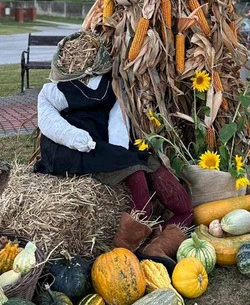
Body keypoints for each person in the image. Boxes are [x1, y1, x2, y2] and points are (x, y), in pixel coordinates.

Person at [34, 31, 192, 228]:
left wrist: (118, 148)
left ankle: (182, 214)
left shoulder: (111, 84)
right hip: (69, 147)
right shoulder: (54, 91)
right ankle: (138, 225)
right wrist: (75, 138)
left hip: (102, 141)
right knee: (133, 168)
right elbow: (48, 120)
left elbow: (118, 118)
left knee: (146, 160)